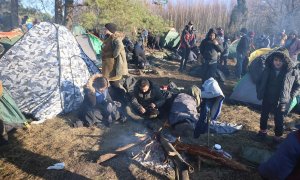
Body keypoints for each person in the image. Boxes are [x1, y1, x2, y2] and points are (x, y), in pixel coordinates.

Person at [255, 48, 300, 143]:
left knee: (279, 119)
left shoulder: (291, 72)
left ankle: (277, 137)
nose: (278, 63)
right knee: (264, 116)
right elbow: (259, 81)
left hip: (281, 100)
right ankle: (263, 132)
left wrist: (291, 96)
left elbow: (297, 85)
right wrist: (260, 90)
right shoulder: (267, 69)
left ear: (285, 61)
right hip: (267, 97)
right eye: (276, 60)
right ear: (272, 60)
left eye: (280, 61)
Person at [102, 23, 128, 98]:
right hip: (108, 64)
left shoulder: (115, 38)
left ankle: (122, 97)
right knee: (109, 82)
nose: (104, 30)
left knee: (114, 82)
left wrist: (114, 54)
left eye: (105, 28)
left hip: (113, 65)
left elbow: (120, 46)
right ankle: (112, 97)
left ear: (109, 30)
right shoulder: (109, 37)